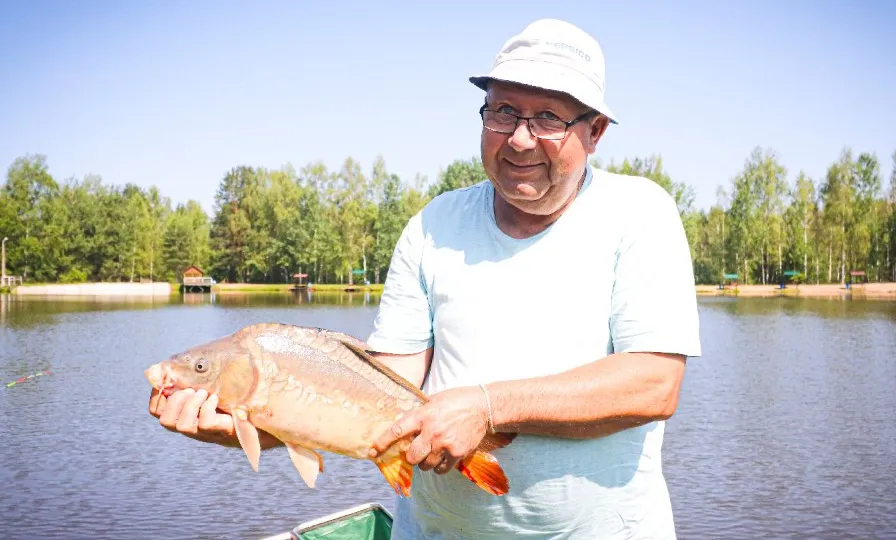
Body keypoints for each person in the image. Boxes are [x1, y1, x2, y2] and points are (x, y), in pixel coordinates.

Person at [149, 18, 701, 540]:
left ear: (596, 131)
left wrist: (486, 407)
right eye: (504, 111)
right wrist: (253, 419)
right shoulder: (433, 226)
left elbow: (652, 384)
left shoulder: (639, 213)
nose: (521, 139)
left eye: (550, 118)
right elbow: (378, 393)